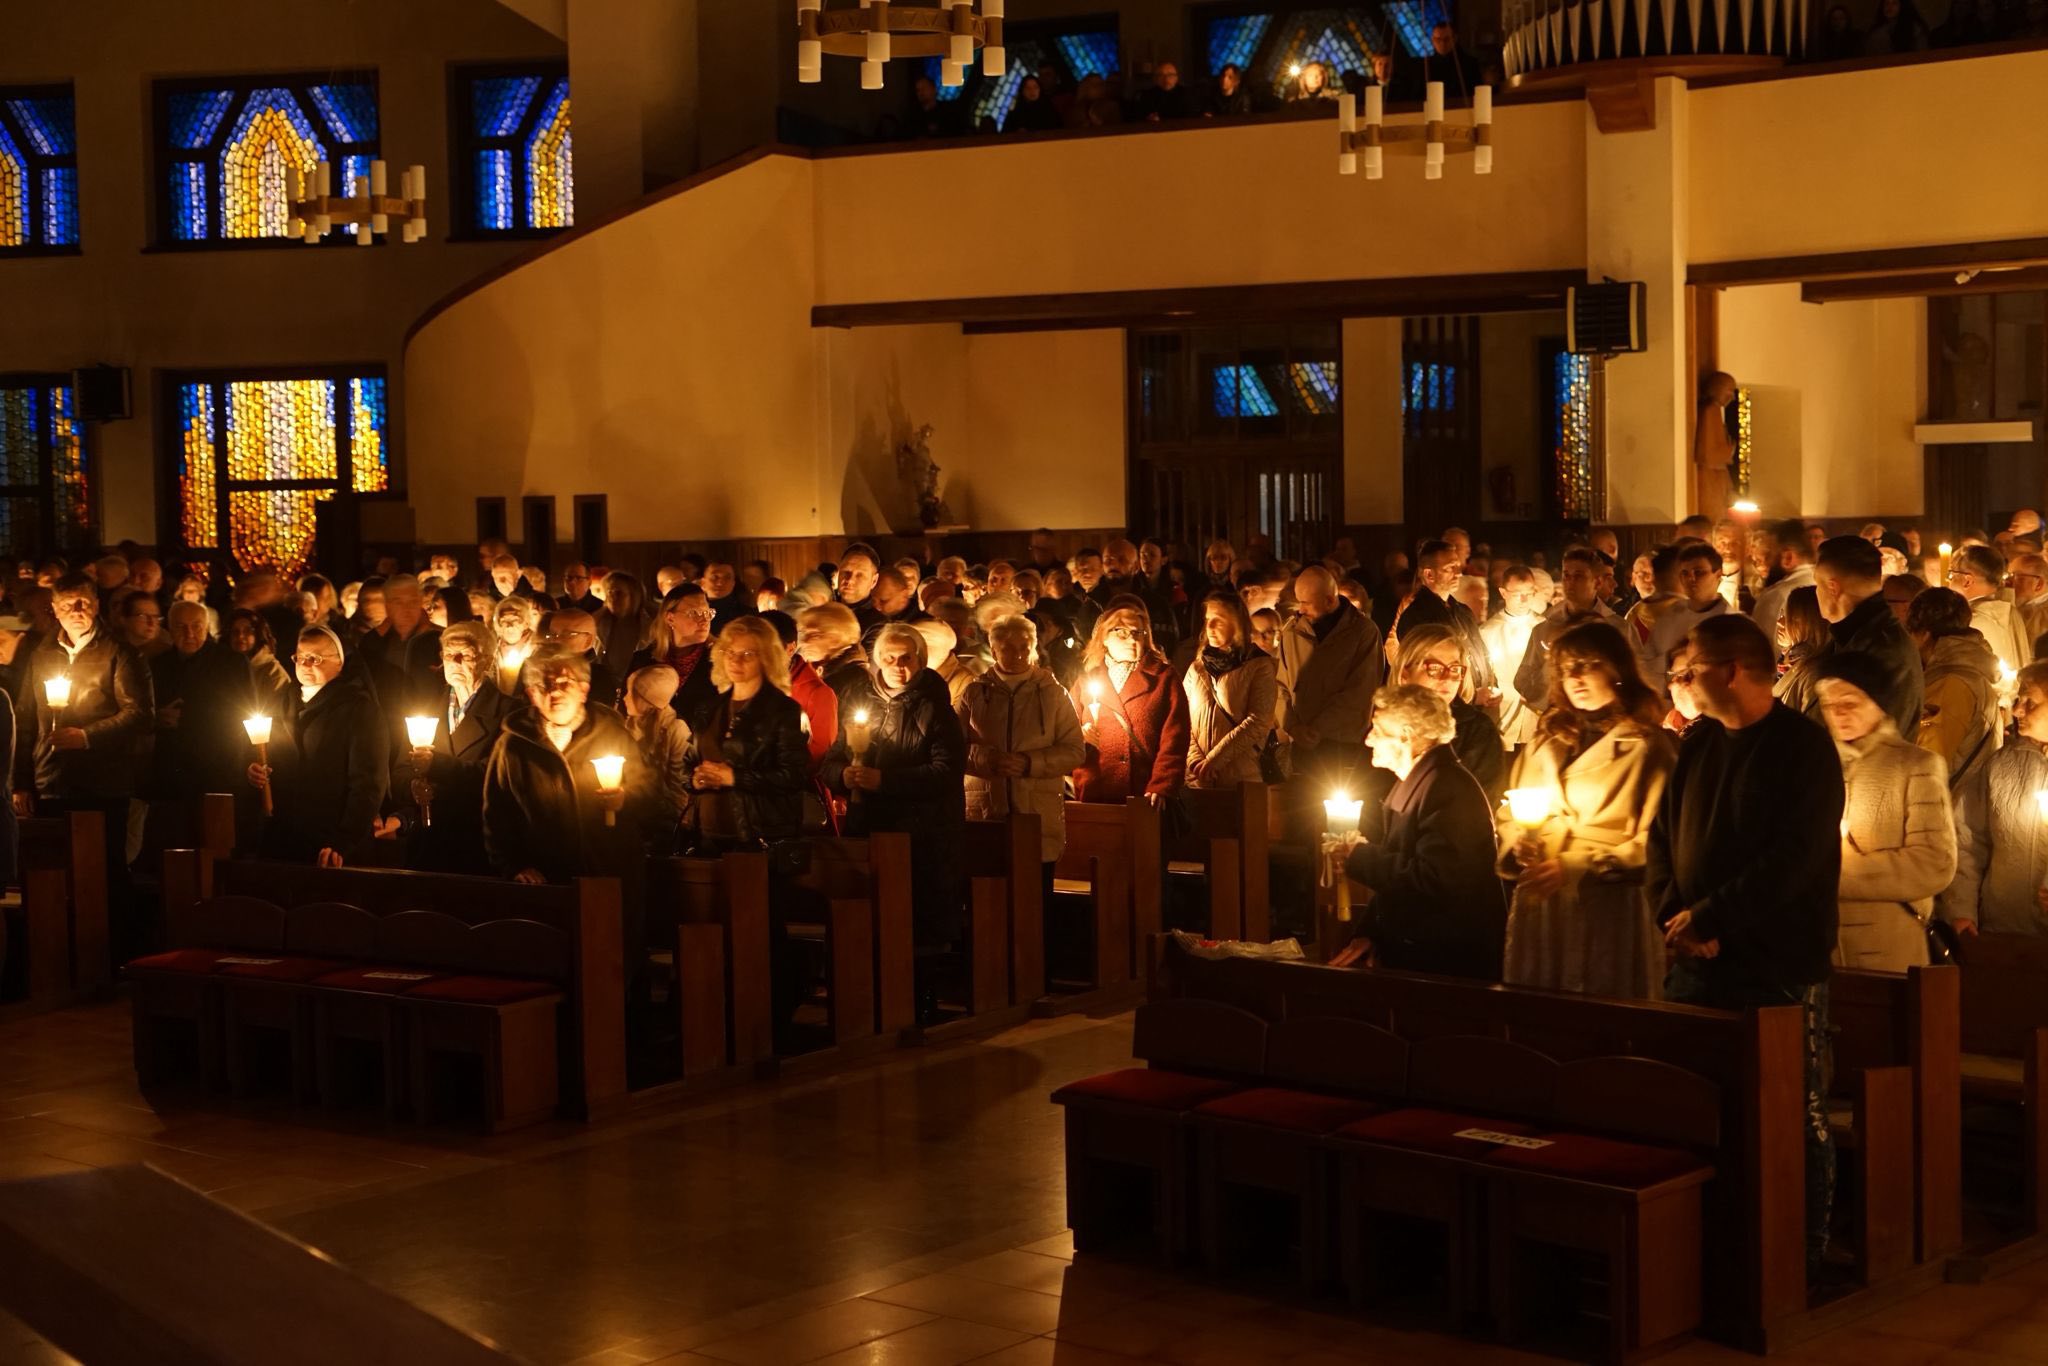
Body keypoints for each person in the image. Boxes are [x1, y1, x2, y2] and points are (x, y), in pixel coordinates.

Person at [1646, 614, 1840, 1274]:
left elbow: (1794, 860)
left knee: (1790, 1110)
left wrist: (1711, 917)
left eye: (1693, 668)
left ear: (1730, 671)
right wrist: (1673, 915)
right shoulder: (1700, 741)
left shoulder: (1802, 748)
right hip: (1695, 960)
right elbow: (1662, 837)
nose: (1683, 679)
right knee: (1695, 1102)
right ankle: (1714, 1248)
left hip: (1775, 962)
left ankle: (1800, 1256)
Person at [1497, 619, 1672, 999]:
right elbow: (1511, 810)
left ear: (1617, 669)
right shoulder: (1546, 740)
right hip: (1544, 897)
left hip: (1610, 900)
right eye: (1565, 669)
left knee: (1605, 1000)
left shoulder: (1647, 746)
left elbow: (1658, 840)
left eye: (1587, 665)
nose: (1574, 677)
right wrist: (1520, 844)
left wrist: (1577, 866)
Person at [820, 624, 968, 1018]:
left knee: (916, 922)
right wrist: (844, 775)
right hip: (870, 827)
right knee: (873, 918)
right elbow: (833, 760)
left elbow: (945, 772)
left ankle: (920, 1001)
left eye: (906, 658)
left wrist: (884, 781)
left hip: (922, 835)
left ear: (920, 660)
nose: (898, 666)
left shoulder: (935, 706)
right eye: (889, 658)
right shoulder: (859, 699)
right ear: (877, 661)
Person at [1333, 684, 1506, 980]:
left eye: (1377, 729)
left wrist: (1359, 857)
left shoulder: (1448, 789)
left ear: (1406, 735)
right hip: (1422, 954)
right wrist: (1371, 933)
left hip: (1448, 967)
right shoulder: (1423, 782)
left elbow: (1436, 879)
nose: (1368, 738)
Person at [1813, 652, 1955, 972]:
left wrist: (1836, 874)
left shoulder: (1915, 766)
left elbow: (1934, 863)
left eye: (1850, 702)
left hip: (1889, 949)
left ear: (1878, 702)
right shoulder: (1816, 766)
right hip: (1822, 947)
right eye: (1829, 703)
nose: (1838, 713)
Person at [482, 647, 653, 886]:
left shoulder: (613, 735)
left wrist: (624, 798)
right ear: (532, 695)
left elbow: (648, 792)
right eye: (544, 685)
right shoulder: (513, 746)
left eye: (564, 683)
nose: (554, 692)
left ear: (583, 690)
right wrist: (514, 866)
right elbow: (497, 814)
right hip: (543, 882)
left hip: (606, 874)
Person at [958, 613, 1085, 904]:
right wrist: (986, 759)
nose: (1017, 655)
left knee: (1034, 902)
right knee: (987, 902)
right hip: (987, 812)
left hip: (1036, 812)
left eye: (1023, 648)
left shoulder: (1053, 694)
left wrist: (1030, 763)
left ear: (1033, 648)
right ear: (994, 651)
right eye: (1007, 648)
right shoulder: (974, 693)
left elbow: (1074, 750)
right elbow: (954, 748)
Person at [382, 619, 515, 875]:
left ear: (487, 660)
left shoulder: (508, 713)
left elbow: (497, 776)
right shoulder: (427, 709)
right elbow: (399, 770)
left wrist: (437, 765)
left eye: (465, 655)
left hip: (478, 843)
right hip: (429, 843)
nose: (455, 662)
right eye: (448, 654)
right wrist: (413, 787)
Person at [248, 626, 387, 867]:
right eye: (300, 657)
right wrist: (254, 771)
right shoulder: (282, 701)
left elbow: (368, 784)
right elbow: (266, 755)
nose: (305, 664)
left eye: (315, 658)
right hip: (284, 839)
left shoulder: (359, 709)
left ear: (339, 663)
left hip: (331, 845)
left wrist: (344, 841)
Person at [31, 574, 153, 820]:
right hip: (52, 779)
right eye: (68, 604)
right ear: (55, 609)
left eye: (83, 603)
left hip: (103, 782)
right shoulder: (42, 653)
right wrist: (22, 782)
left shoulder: (119, 652)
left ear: (96, 605)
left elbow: (139, 713)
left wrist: (87, 736)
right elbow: (26, 717)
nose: (76, 611)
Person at [682, 617, 809, 850]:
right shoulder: (709, 708)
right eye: (730, 652)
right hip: (705, 834)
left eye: (748, 654)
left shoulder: (784, 711)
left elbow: (794, 775)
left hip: (758, 837)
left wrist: (735, 778)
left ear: (767, 658)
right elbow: (687, 762)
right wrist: (694, 779)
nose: (735, 660)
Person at [1945, 660, 2048, 936]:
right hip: (2004, 929)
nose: (2017, 710)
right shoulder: (2000, 766)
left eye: (2030, 702)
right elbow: (1968, 838)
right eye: (2018, 700)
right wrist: (1963, 909)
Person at [1275, 566, 1383, 791]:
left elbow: (1360, 692)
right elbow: (1279, 686)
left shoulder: (1363, 633)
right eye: (1299, 602)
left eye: (1306, 603)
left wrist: (1317, 729)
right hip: (1301, 746)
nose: (1301, 609)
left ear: (1329, 600)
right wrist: (1292, 726)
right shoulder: (1292, 632)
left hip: (1342, 747)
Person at [1070, 605, 1189, 805]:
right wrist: (1080, 734)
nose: (1132, 639)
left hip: (1145, 795)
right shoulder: (1086, 680)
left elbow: (1176, 736)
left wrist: (1162, 784)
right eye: (1122, 632)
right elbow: (1065, 729)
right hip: (1095, 792)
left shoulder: (1163, 678)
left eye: (1137, 632)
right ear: (1104, 637)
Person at [147, 600, 255, 812]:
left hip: (219, 767)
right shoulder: (158, 665)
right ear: (169, 629)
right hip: (172, 771)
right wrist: (156, 718)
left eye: (196, 626)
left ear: (206, 627)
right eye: (181, 626)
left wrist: (187, 719)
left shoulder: (232, 663)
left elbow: (242, 713)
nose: (189, 634)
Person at [1814, 535, 1922, 733]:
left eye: (1817, 585)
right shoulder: (1849, 636)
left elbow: (1881, 736)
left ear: (1832, 587)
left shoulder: (1884, 648)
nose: (1816, 593)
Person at [1394, 622, 1506, 807]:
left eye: (1455, 669)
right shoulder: (1384, 727)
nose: (1446, 678)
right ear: (1405, 674)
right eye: (1434, 668)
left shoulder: (1477, 731)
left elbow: (1481, 804)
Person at [1909, 587, 2002, 792]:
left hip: (1952, 801)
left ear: (1924, 634)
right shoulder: (1966, 672)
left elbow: (1926, 759)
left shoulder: (1950, 683)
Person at [1182, 591, 1277, 790]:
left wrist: (1215, 760)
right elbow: (1182, 718)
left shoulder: (1259, 666)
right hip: (1199, 780)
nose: (1209, 626)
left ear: (1237, 624)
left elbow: (1259, 721)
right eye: (1207, 619)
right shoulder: (1197, 669)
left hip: (1242, 777)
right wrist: (1195, 760)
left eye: (1218, 620)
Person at [1513, 548, 1617, 710]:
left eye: (1579, 576)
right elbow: (1523, 681)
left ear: (1597, 582)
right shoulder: (1544, 629)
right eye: (1566, 575)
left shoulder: (1617, 628)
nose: (1570, 582)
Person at [1638, 541, 1727, 700]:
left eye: (1698, 572)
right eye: (1685, 573)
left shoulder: (1730, 620)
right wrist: (1671, 661)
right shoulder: (1670, 616)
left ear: (1718, 575)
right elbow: (1647, 665)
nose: (1691, 579)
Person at [634, 585, 721, 733]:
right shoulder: (643, 660)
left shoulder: (718, 662)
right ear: (670, 618)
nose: (704, 620)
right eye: (695, 613)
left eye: (708, 613)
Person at [1480, 566, 1544, 748]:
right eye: (1517, 594)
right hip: (1501, 712)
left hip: (1536, 713)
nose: (1524, 600)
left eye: (1529, 593)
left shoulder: (1544, 627)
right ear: (1503, 593)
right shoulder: (1488, 631)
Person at [1948, 542, 2031, 680]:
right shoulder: (2010, 612)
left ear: (1967, 581)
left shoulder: (1970, 621)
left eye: (1951, 574)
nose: (1948, 582)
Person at [1751, 517, 1817, 652]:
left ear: (1788, 558)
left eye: (1769, 555)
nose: (1764, 562)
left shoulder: (1776, 597)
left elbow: (1763, 653)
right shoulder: (1824, 586)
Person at [796, 602, 869, 707]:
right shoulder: (812, 670)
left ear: (835, 639)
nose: (804, 642)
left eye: (814, 635)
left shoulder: (855, 683)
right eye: (804, 633)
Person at [1772, 586, 1831, 716]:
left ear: (1811, 624)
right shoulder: (1789, 663)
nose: (1779, 622)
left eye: (1790, 618)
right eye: (1782, 614)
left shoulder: (1813, 675)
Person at [594, 571, 652, 667]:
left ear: (633, 596)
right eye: (609, 592)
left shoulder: (650, 626)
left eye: (618, 593)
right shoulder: (600, 622)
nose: (612, 598)